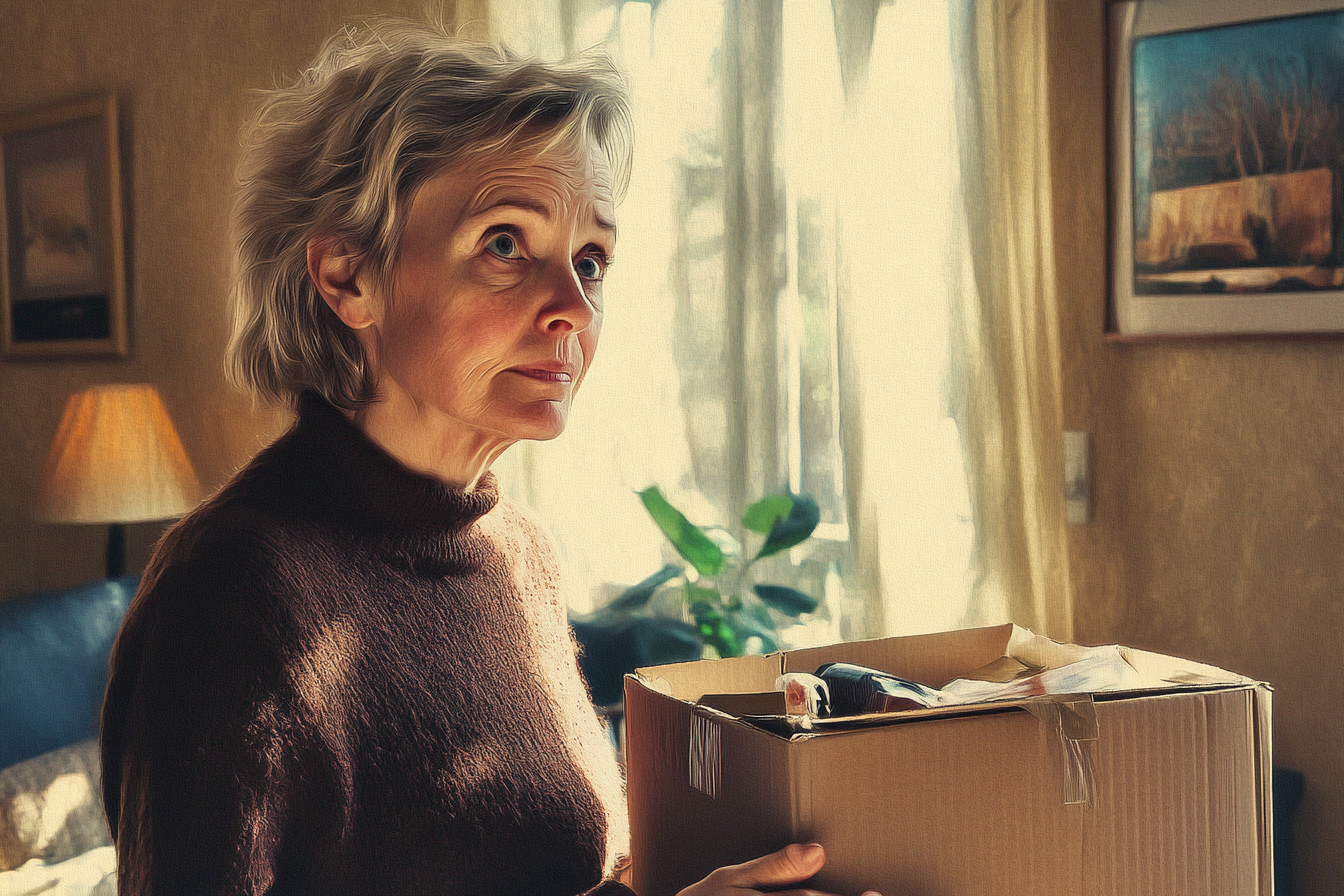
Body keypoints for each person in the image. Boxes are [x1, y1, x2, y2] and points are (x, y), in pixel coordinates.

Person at [100, 18, 881, 896]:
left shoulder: (522, 555)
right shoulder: (235, 590)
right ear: (347, 277)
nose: (574, 307)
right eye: (506, 243)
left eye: (591, 261)